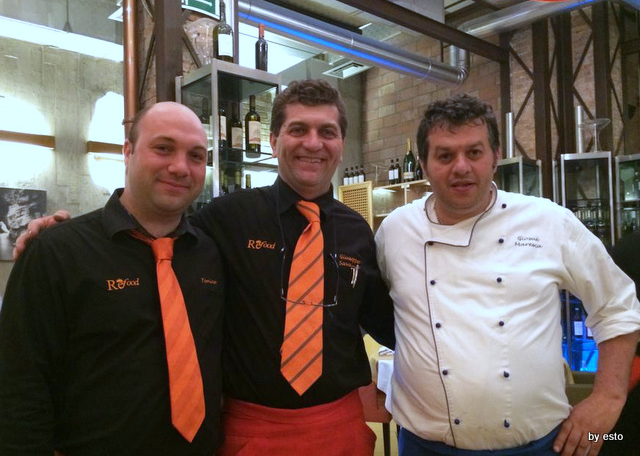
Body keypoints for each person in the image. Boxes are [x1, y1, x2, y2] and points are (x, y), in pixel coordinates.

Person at [12, 80, 395, 456]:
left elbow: (386, 319)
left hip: (338, 427)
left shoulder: (358, 231)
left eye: (327, 132)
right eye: (298, 130)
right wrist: (62, 236)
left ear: (341, 144)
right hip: (251, 430)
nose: (313, 143)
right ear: (273, 141)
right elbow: (150, 227)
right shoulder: (227, 217)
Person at [374, 93, 640, 456]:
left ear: (495, 156)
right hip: (425, 446)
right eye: (445, 155)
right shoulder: (395, 230)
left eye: (474, 152)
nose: (461, 167)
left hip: (539, 446)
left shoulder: (548, 220)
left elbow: (617, 305)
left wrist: (609, 397)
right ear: (423, 163)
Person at [0, 102, 225, 455]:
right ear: (128, 151)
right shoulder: (57, 252)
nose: (180, 167)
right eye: (163, 148)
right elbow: (19, 384)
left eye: (195, 156)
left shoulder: (211, 254)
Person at [600, 230, 640, 456]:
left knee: (616, 438)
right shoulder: (632, 247)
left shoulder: (630, 245)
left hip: (631, 361)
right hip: (632, 363)